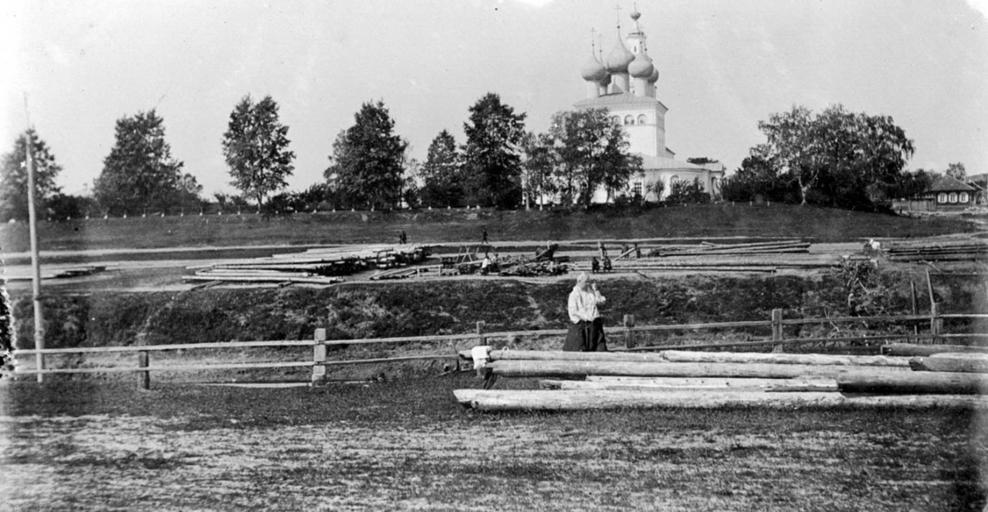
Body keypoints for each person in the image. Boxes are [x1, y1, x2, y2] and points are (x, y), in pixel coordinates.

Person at [563, 272, 607, 352]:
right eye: (586, 282)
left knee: (600, 350)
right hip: (580, 326)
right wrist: (586, 317)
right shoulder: (573, 294)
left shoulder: (591, 292)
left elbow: (601, 301)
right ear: (579, 281)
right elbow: (573, 311)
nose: (588, 284)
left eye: (588, 282)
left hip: (594, 325)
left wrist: (596, 290)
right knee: (579, 350)